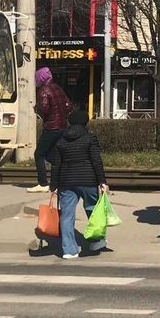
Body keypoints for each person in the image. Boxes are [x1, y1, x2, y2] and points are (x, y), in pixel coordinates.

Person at [47, 109, 108, 259]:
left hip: (66, 182)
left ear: (70, 122)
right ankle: (96, 242)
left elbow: (56, 165)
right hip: (88, 181)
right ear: (85, 122)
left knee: (67, 216)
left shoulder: (61, 140)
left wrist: (53, 186)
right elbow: (96, 161)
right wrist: (102, 181)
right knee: (94, 212)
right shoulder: (90, 138)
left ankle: (69, 250)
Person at [31, 67, 73, 193]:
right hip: (63, 126)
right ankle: (59, 182)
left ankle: (43, 183)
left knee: (39, 154)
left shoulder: (44, 90)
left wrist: (37, 109)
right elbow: (68, 105)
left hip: (51, 127)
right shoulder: (58, 88)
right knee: (55, 155)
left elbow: (44, 108)